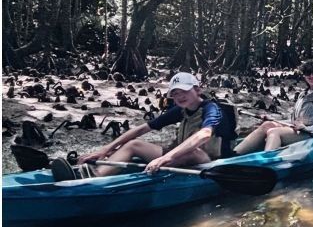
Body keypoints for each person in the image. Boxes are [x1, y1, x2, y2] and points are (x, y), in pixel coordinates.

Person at [51, 72, 235, 180]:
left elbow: (203, 135)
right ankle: (96, 176)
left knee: (191, 152)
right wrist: (106, 149)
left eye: (184, 91)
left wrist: (164, 158)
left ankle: (138, 172)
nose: (179, 97)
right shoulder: (180, 109)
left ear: (197, 90)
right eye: (175, 93)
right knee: (133, 145)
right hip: (183, 156)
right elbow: (141, 129)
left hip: (210, 160)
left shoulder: (212, 108)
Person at [234, 59, 313, 153]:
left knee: (274, 132)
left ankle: (267, 159)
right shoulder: (303, 94)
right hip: (301, 130)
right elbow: (294, 119)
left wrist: (310, 129)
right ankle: (236, 153)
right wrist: (273, 120)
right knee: (267, 125)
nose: (311, 76)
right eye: (307, 73)